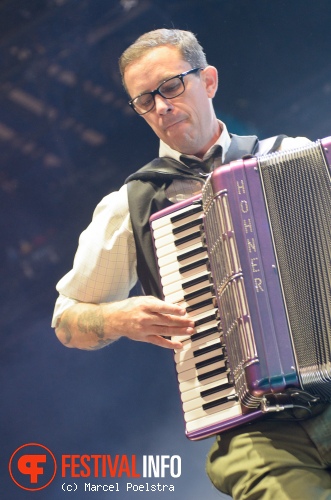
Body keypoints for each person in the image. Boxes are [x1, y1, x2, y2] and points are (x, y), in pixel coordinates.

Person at [52, 29, 331, 499]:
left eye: (170, 86)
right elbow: (66, 320)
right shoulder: (131, 204)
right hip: (257, 432)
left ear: (209, 81)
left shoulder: (293, 157)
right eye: (144, 100)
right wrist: (116, 317)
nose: (160, 106)